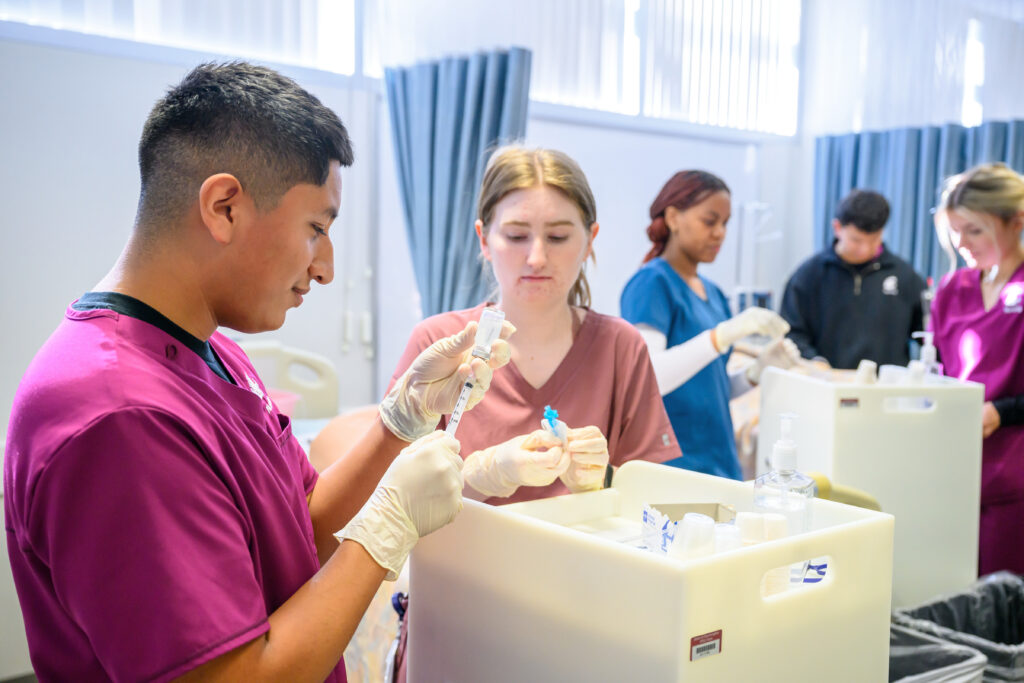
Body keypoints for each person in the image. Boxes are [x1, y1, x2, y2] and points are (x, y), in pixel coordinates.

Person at [2, 62, 513, 682]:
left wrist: (398, 422)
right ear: (223, 207)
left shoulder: (209, 350)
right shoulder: (120, 417)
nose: (325, 268)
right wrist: (388, 527)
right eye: (316, 229)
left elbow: (300, 525)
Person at [361, 145, 681, 504]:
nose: (537, 257)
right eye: (516, 236)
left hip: (584, 559)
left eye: (558, 237)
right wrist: (480, 475)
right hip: (459, 559)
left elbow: (650, 497)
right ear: (484, 239)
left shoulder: (620, 346)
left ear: (590, 239)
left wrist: (601, 479)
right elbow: (387, 494)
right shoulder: (438, 342)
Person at [620, 170, 799, 480]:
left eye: (725, 224)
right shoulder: (651, 283)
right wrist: (720, 336)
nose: (720, 233)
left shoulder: (713, 293)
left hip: (719, 462)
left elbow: (710, 388)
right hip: (674, 467)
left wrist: (754, 374)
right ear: (674, 217)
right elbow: (650, 378)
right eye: (710, 221)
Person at [930, 162, 1024, 575]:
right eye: (955, 231)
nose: (962, 243)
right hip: (956, 466)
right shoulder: (953, 290)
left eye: (975, 230)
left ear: (1017, 221)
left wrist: (1002, 411)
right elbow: (940, 370)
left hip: (1013, 472)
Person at [780, 189, 927, 369]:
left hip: (885, 388)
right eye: (856, 240)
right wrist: (814, 362)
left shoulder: (905, 276)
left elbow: (927, 332)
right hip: (826, 384)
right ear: (837, 228)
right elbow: (791, 333)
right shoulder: (809, 276)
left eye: (874, 240)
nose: (865, 249)